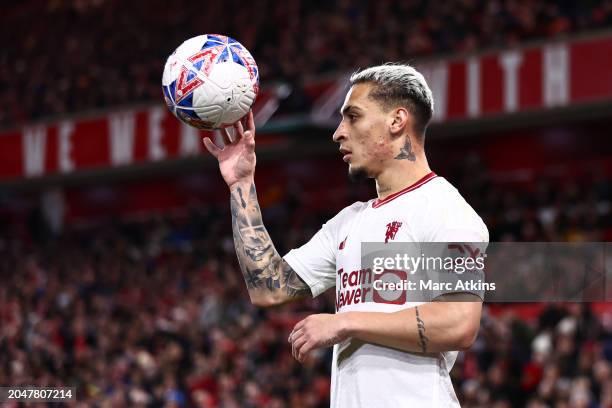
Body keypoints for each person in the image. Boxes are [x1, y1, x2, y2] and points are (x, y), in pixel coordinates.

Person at [203, 63, 489, 407]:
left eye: (352, 116)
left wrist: (346, 322)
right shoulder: (350, 222)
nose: (338, 132)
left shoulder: (445, 209)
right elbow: (269, 287)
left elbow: (460, 323)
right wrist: (241, 185)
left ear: (397, 121)